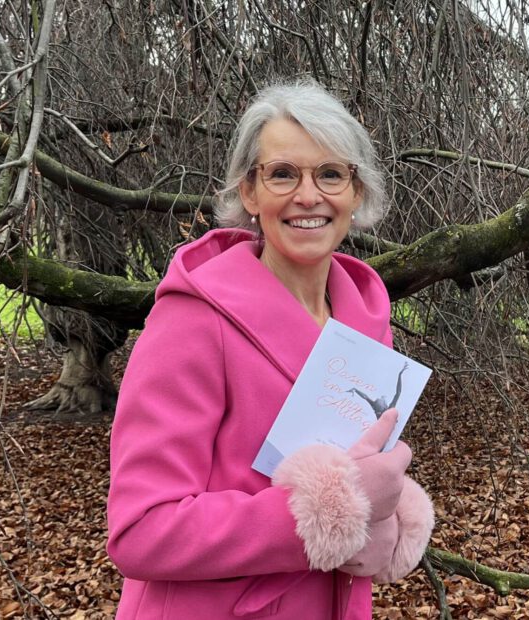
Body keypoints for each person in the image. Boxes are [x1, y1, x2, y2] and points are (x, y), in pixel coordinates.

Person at [106, 80, 435, 619]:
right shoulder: (194, 319)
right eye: (283, 173)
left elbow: (344, 461)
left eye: (331, 173)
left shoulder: (364, 317)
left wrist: (389, 515)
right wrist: (332, 512)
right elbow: (141, 529)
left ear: (357, 193)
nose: (309, 196)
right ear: (250, 193)